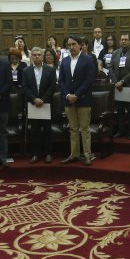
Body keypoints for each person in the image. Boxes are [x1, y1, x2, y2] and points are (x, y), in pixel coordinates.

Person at [59, 36, 97, 165]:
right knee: (73, 129)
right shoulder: (64, 61)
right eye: (69, 45)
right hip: (68, 100)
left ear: (80, 45)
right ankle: (74, 154)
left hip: (83, 99)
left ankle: (87, 155)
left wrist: (77, 95)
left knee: (84, 128)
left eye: (74, 44)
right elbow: (61, 81)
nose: (71, 47)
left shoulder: (88, 60)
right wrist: (68, 95)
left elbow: (89, 80)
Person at [22, 47, 57, 163]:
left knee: (47, 130)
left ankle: (48, 153)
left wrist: (42, 99)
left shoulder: (50, 70)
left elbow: (52, 87)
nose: (37, 57)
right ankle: (36, 154)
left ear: (42, 56)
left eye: (39, 55)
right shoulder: (26, 71)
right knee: (35, 130)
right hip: (33, 104)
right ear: (31, 57)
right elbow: (25, 88)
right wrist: (34, 99)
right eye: (34, 55)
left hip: (46, 104)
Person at [110, 33, 130, 139]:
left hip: (129, 86)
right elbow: (111, 69)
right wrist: (115, 82)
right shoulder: (115, 53)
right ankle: (121, 130)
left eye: (126, 39)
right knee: (119, 110)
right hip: (117, 86)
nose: (123, 41)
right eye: (122, 39)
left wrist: (122, 81)